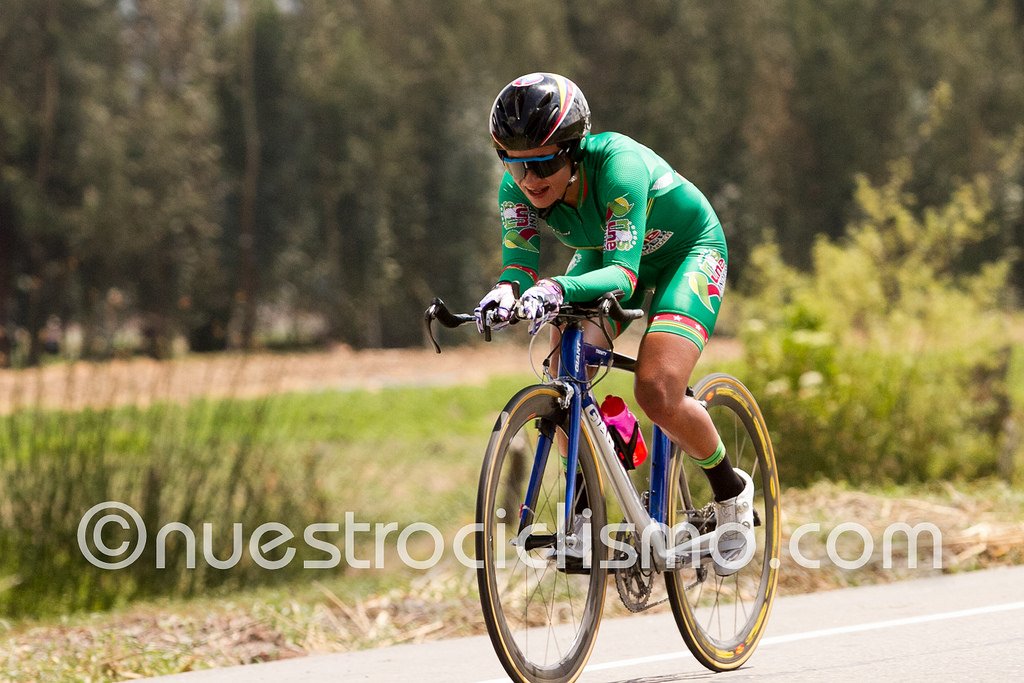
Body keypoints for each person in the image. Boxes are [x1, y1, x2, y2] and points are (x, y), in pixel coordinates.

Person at [474, 72, 752, 575]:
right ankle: (584, 508)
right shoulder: (516, 191)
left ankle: (731, 494)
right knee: (562, 366)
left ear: (574, 150)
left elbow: (622, 278)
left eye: (543, 162)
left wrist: (555, 288)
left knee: (657, 390)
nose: (530, 178)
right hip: (604, 254)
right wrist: (503, 292)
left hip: (684, 253)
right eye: (514, 164)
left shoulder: (618, 166)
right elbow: (519, 268)